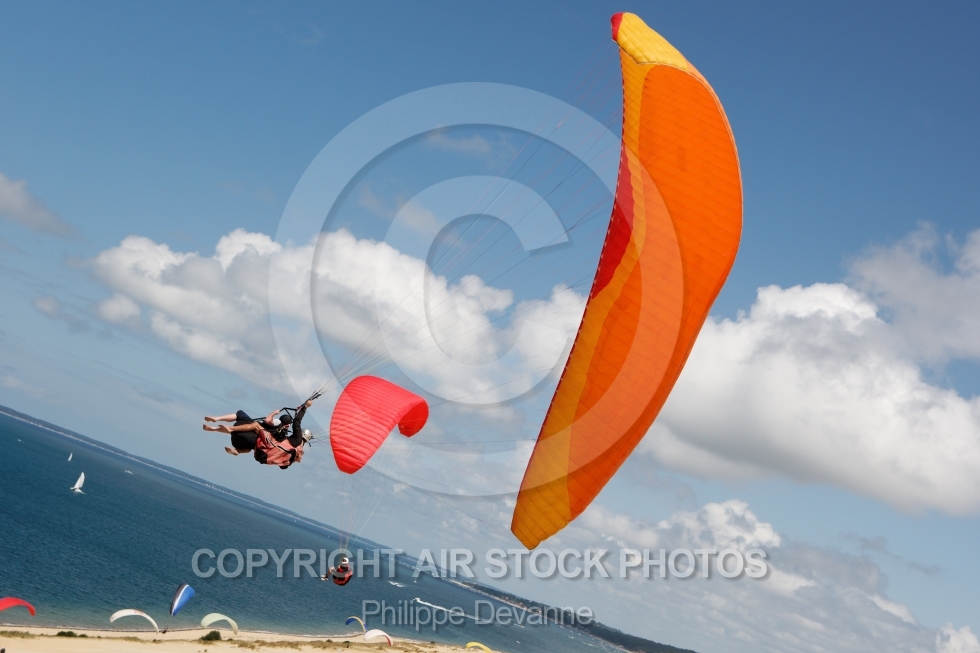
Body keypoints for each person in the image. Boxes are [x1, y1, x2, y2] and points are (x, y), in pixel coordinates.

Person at [203, 408, 287, 456]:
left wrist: (274, 413)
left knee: (239, 415)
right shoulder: (281, 436)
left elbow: (268, 420)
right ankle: (237, 451)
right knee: (249, 448)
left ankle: (216, 419)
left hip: (244, 435)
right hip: (240, 444)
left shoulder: (279, 423)